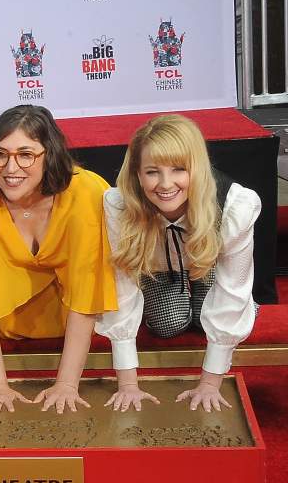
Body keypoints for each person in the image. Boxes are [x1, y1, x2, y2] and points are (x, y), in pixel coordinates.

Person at [0, 105, 118, 415]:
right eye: (0, 154)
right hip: (8, 320)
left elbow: (87, 290)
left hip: (79, 315)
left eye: (26, 154)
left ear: (50, 153)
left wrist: (67, 384)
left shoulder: (88, 192)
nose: (10, 168)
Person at [96, 114, 261, 412]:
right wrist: (128, 385)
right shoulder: (119, 204)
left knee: (211, 315)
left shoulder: (237, 204)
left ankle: (202, 297)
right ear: (136, 173)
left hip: (207, 263)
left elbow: (233, 286)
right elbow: (121, 286)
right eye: (152, 172)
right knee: (167, 324)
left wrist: (210, 384)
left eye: (178, 169)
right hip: (157, 269)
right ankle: (188, 299)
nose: (165, 184)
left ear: (196, 168)